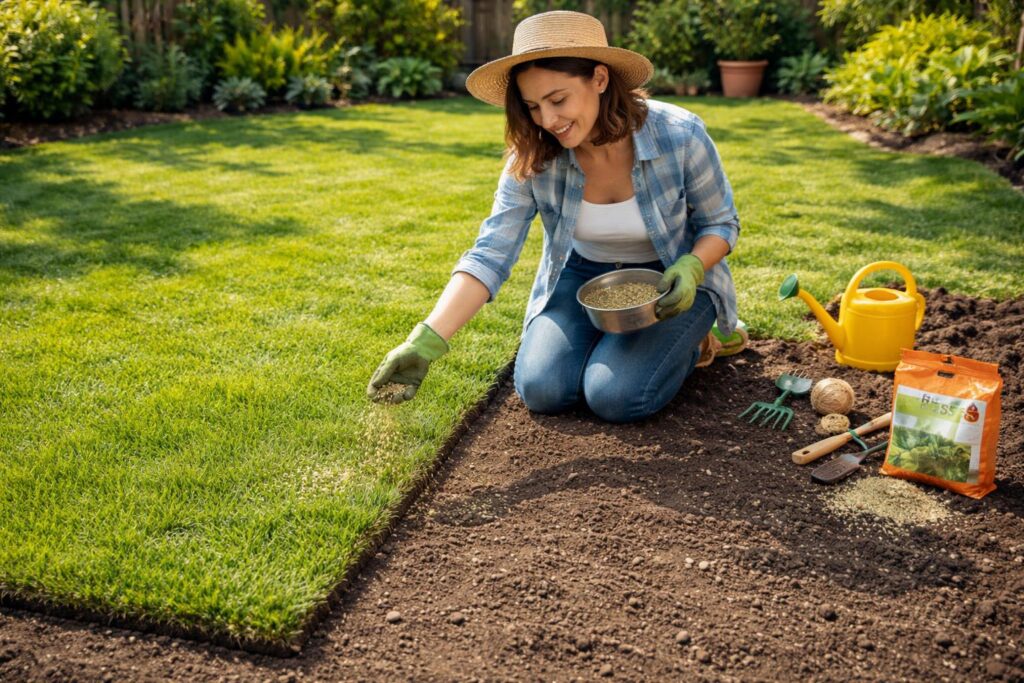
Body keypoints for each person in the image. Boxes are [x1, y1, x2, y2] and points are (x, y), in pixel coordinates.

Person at [367, 10, 746, 423]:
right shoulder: (533, 155)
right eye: (532, 106)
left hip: (672, 278)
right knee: (542, 389)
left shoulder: (680, 134)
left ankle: (697, 344)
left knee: (616, 397)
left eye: (558, 99)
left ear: (599, 79)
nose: (548, 121)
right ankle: (620, 344)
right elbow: (490, 253)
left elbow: (720, 223)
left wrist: (692, 267)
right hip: (582, 275)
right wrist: (426, 340)